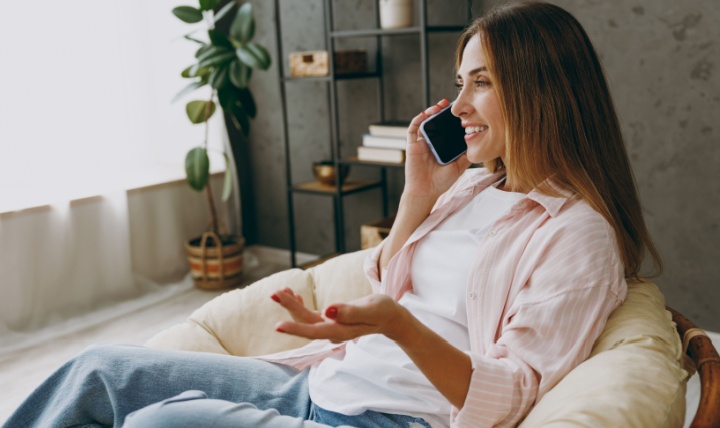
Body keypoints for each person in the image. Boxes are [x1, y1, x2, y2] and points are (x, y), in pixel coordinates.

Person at [3, 2, 662, 427]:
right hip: (323, 384)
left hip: (386, 418)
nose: (459, 103)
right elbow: (386, 282)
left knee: (154, 425)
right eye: (460, 81)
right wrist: (417, 195)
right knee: (100, 370)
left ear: (544, 90)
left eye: (482, 82)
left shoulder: (578, 236)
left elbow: (513, 393)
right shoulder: (472, 188)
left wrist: (399, 328)